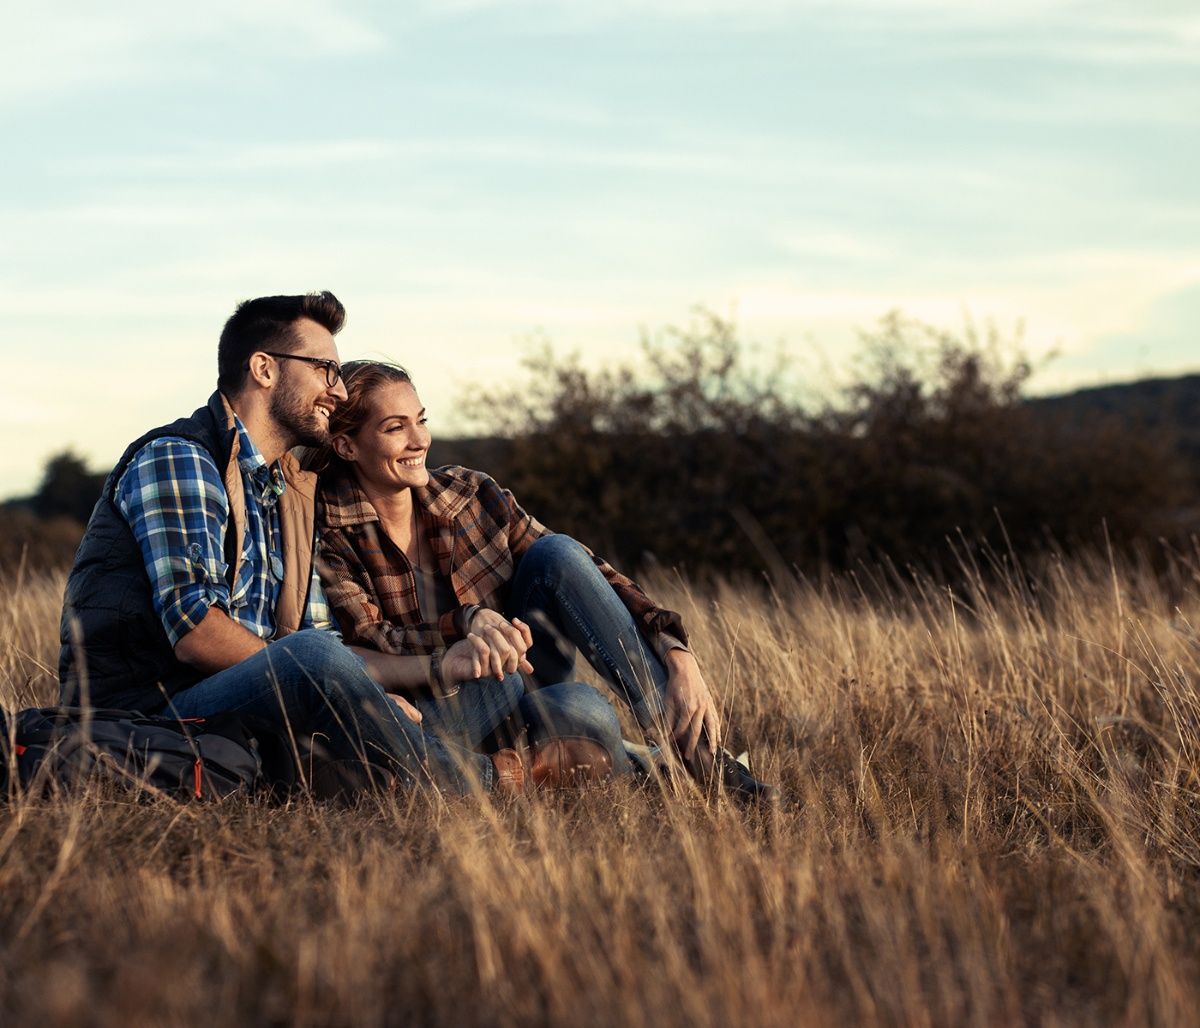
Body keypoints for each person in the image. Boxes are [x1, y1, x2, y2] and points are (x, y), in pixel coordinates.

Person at [57, 292, 614, 797]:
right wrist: (332, 683)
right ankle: (490, 781)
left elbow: (324, 647)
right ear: (264, 368)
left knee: (504, 681)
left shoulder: (286, 491)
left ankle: (383, 772)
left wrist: (437, 667)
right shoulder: (180, 458)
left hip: (268, 713)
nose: (339, 389)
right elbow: (196, 633)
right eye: (325, 368)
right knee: (315, 657)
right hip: (159, 714)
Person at [316, 360, 779, 803]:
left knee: (556, 555)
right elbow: (369, 638)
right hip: (443, 706)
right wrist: (466, 623)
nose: (419, 440)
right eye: (395, 428)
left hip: (521, 679)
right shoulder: (330, 531)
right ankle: (603, 766)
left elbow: (588, 572)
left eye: (421, 420)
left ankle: (700, 758)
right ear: (347, 446)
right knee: (583, 709)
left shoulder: (472, 493)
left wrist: (676, 652)